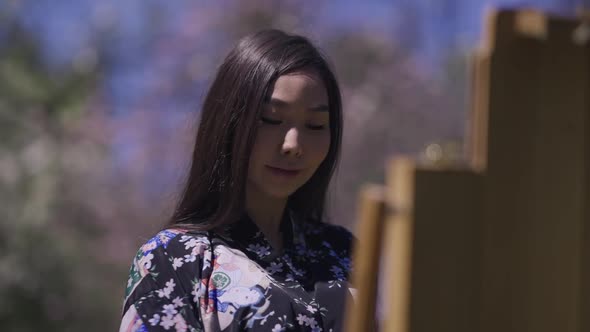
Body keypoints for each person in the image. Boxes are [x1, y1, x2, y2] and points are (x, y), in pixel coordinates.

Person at [119, 29, 355, 332]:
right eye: (271, 119)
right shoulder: (175, 259)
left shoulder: (345, 252)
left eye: (315, 124)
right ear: (228, 123)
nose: (294, 144)